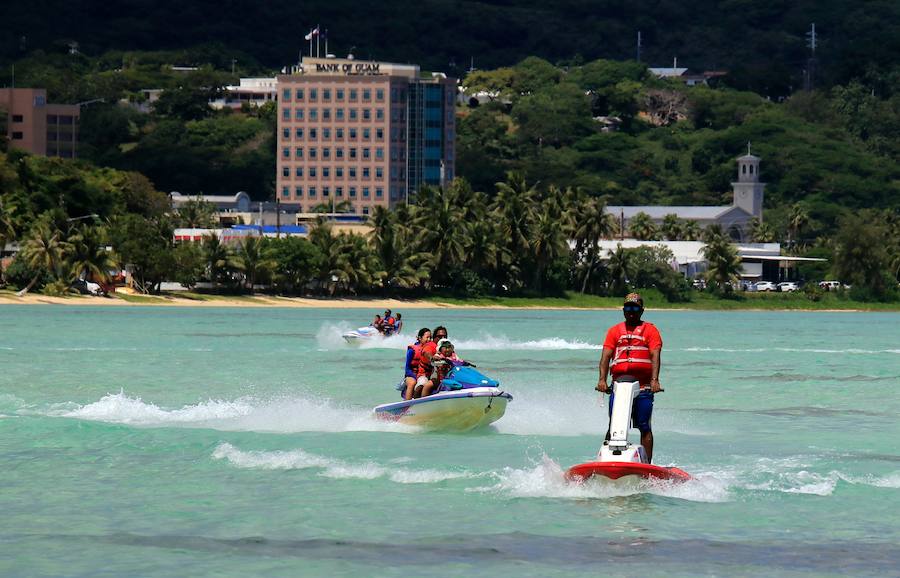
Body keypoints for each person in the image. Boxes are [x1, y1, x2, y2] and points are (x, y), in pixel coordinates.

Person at [596, 292, 663, 462]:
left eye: (635, 308)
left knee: (644, 426)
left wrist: (654, 381)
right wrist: (602, 380)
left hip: (643, 387)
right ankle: (607, 459)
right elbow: (605, 357)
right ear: (623, 310)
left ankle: (647, 464)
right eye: (627, 308)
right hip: (619, 386)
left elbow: (655, 355)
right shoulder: (614, 331)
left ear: (642, 310)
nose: (631, 311)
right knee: (614, 425)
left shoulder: (651, 330)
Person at [416, 325, 448, 397]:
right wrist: (432, 358)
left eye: (444, 336)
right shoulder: (430, 345)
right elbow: (427, 353)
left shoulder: (447, 347)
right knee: (425, 385)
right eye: (439, 336)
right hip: (425, 374)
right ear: (434, 337)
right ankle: (417, 402)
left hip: (441, 375)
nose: (442, 338)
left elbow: (454, 357)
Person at [403, 328, 431, 400]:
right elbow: (407, 369)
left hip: (424, 374)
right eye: (427, 337)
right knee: (412, 383)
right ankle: (407, 406)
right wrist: (416, 377)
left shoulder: (430, 349)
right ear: (420, 338)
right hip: (411, 375)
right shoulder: (412, 350)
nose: (429, 339)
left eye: (430, 337)